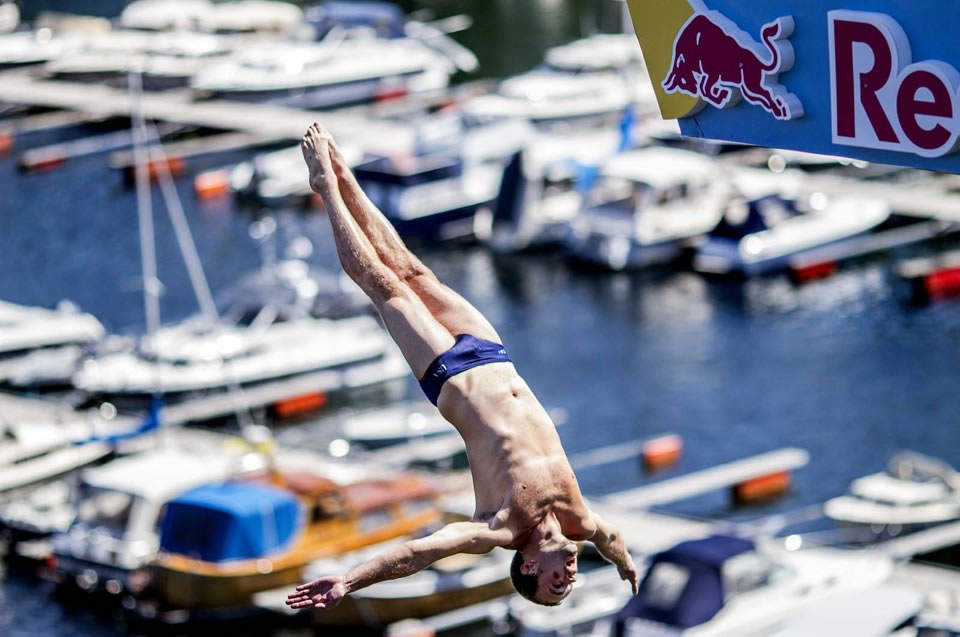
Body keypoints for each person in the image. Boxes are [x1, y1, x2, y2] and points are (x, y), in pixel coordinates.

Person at [285, 123, 638, 611]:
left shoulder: (498, 528)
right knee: (412, 269)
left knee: (384, 284)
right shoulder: (581, 521)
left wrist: (350, 581)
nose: (570, 578)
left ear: (529, 567)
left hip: (449, 376)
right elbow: (614, 539)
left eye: (557, 584)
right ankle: (345, 176)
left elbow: (419, 553)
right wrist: (625, 566)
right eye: (569, 585)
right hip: (494, 356)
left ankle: (325, 186)